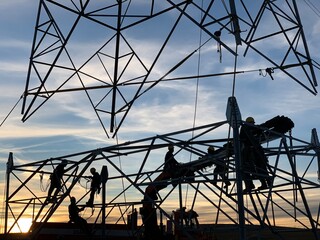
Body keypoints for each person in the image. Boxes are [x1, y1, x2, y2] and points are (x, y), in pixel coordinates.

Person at [240, 117, 270, 193]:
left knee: (246, 168)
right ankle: (266, 183)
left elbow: (241, 138)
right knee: (261, 167)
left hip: (251, 151)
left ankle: (250, 185)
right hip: (257, 151)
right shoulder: (255, 128)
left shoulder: (245, 128)